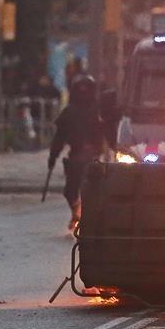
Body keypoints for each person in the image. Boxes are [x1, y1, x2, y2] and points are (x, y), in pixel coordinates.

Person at [49, 74, 103, 232]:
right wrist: (53, 156)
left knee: (94, 191)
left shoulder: (97, 111)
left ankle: (89, 217)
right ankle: (77, 213)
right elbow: (59, 137)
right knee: (71, 190)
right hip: (76, 156)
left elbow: (107, 132)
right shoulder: (69, 112)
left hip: (93, 157)